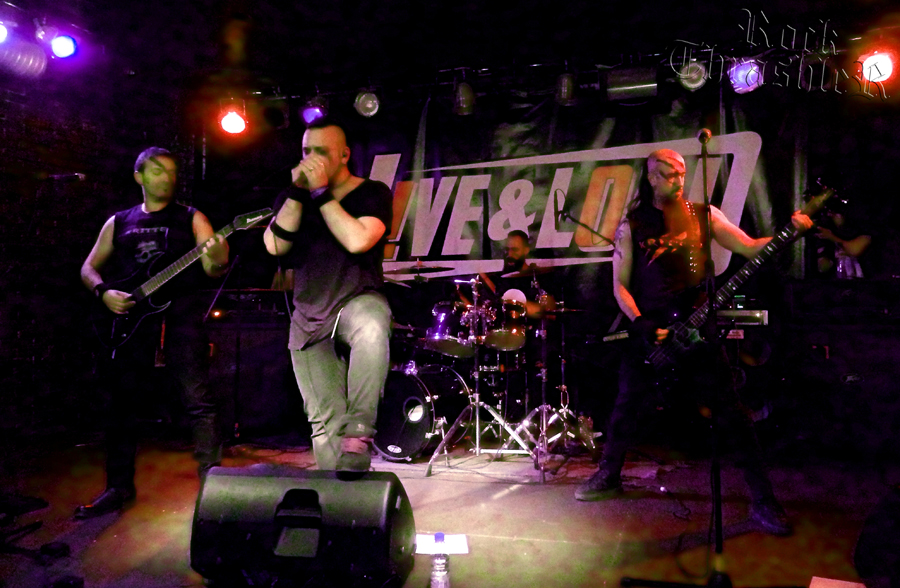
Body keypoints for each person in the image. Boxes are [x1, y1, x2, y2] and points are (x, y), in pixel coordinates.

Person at [575, 148, 812, 537]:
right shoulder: (632, 225)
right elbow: (620, 285)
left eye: (682, 173)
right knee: (624, 408)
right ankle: (608, 475)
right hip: (651, 334)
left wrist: (790, 231)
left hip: (698, 330)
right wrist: (640, 322)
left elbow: (749, 246)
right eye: (670, 174)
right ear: (652, 178)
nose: (679, 180)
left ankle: (764, 500)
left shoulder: (705, 215)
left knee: (735, 416)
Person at [77, 147, 229, 518]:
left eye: (172, 172)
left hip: (181, 320)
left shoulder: (192, 217)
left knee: (198, 401)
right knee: (121, 405)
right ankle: (118, 487)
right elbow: (88, 268)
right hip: (131, 325)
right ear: (139, 176)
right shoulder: (119, 221)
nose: (167, 178)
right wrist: (104, 292)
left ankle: (215, 487)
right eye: (158, 171)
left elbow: (213, 269)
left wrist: (217, 255)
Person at [263, 119, 393, 472]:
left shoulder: (372, 192)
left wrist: (321, 192)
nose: (311, 160)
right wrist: (298, 194)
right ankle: (339, 491)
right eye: (306, 151)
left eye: (321, 152)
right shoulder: (292, 199)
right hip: (309, 316)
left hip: (355, 301)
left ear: (344, 155)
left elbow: (357, 239)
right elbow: (274, 245)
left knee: (371, 327)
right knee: (324, 426)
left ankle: (360, 432)